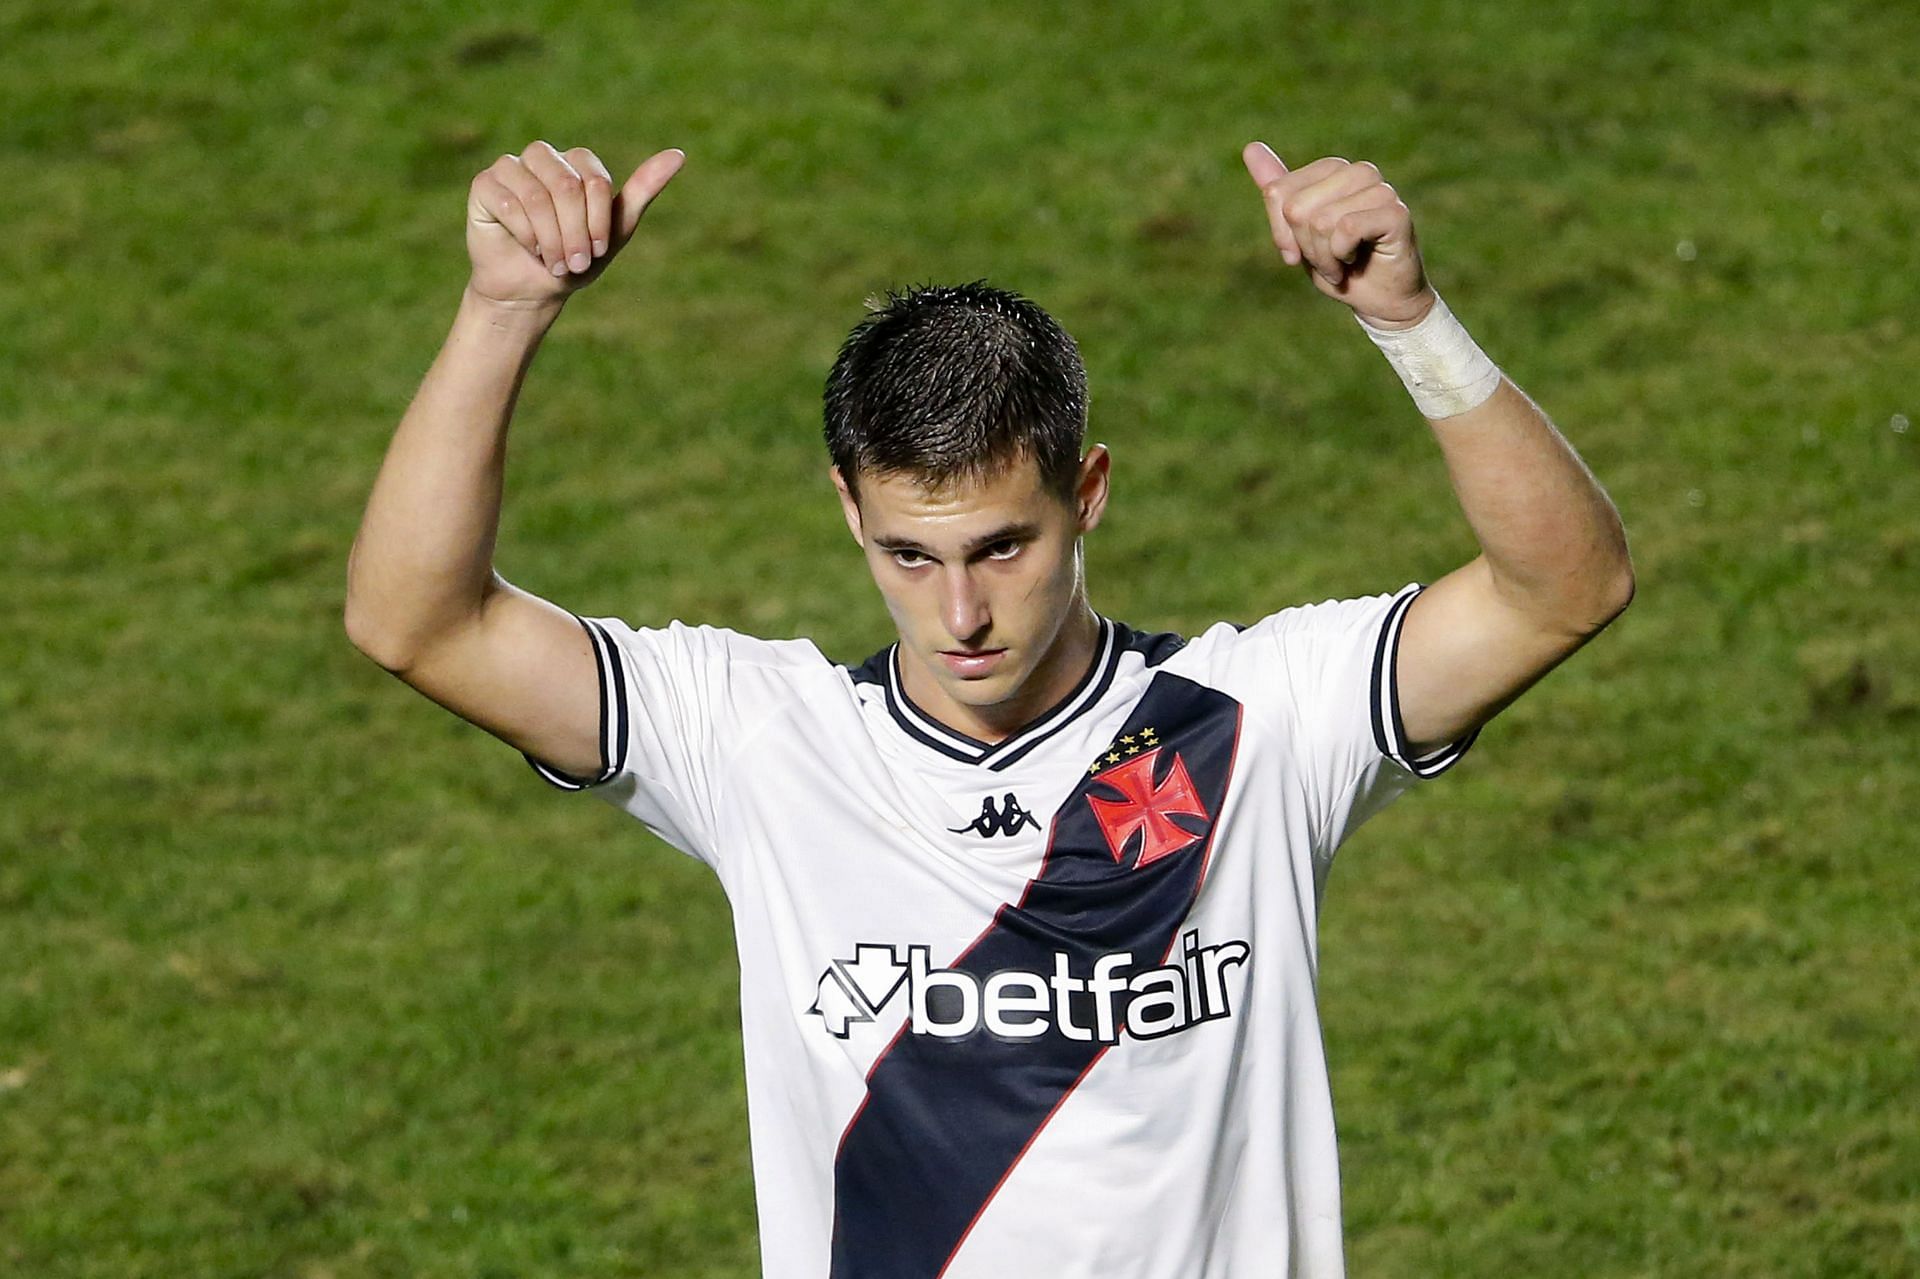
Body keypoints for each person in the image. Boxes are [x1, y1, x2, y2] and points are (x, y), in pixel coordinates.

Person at [345, 138, 1633, 1278]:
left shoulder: (1258, 724)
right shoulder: (762, 741)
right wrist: (501, 310)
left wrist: (1410, 322)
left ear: (1092, 492)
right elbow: (419, 622)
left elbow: (1567, 588)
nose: (961, 615)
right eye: (911, 554)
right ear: (851, 509)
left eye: (1004, 549)